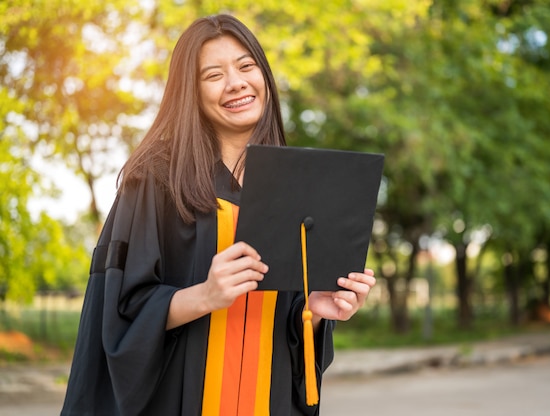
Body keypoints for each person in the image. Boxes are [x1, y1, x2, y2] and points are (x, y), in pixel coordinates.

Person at [61, 13, 376, 416]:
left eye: (246, 66)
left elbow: (292, 338)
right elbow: (120, 314)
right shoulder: (155, 180)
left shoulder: (294, 185)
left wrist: (314, 312)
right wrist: (206, 295)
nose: (236, 83)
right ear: (190, 92)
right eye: (214, 75)